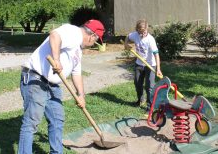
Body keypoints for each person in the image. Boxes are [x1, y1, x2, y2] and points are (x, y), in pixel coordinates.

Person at [18, 19, 105, 154]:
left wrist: (81, 95)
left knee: (57, 120)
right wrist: (56, 59)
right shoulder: (74, 32)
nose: (93, 44)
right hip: (36, 80)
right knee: (31, 123)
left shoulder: (78, 49)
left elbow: (76, 73)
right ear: (92, 36)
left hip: (52, 86)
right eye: (95, 40)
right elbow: (54, 35)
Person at [124, 19, 162, 112]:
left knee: (149, 86)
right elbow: (128, 37)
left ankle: (150, 106)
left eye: (144, 31)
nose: (143, 34)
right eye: (140, 32)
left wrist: (158, 69)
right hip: (139, 63)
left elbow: (156, 54)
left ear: (147, 29)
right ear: (137, 30)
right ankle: (140, 100)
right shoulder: (135, 35)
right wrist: (126, 44)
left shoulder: (150, 39)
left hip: (150, 65)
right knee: (137, 83)